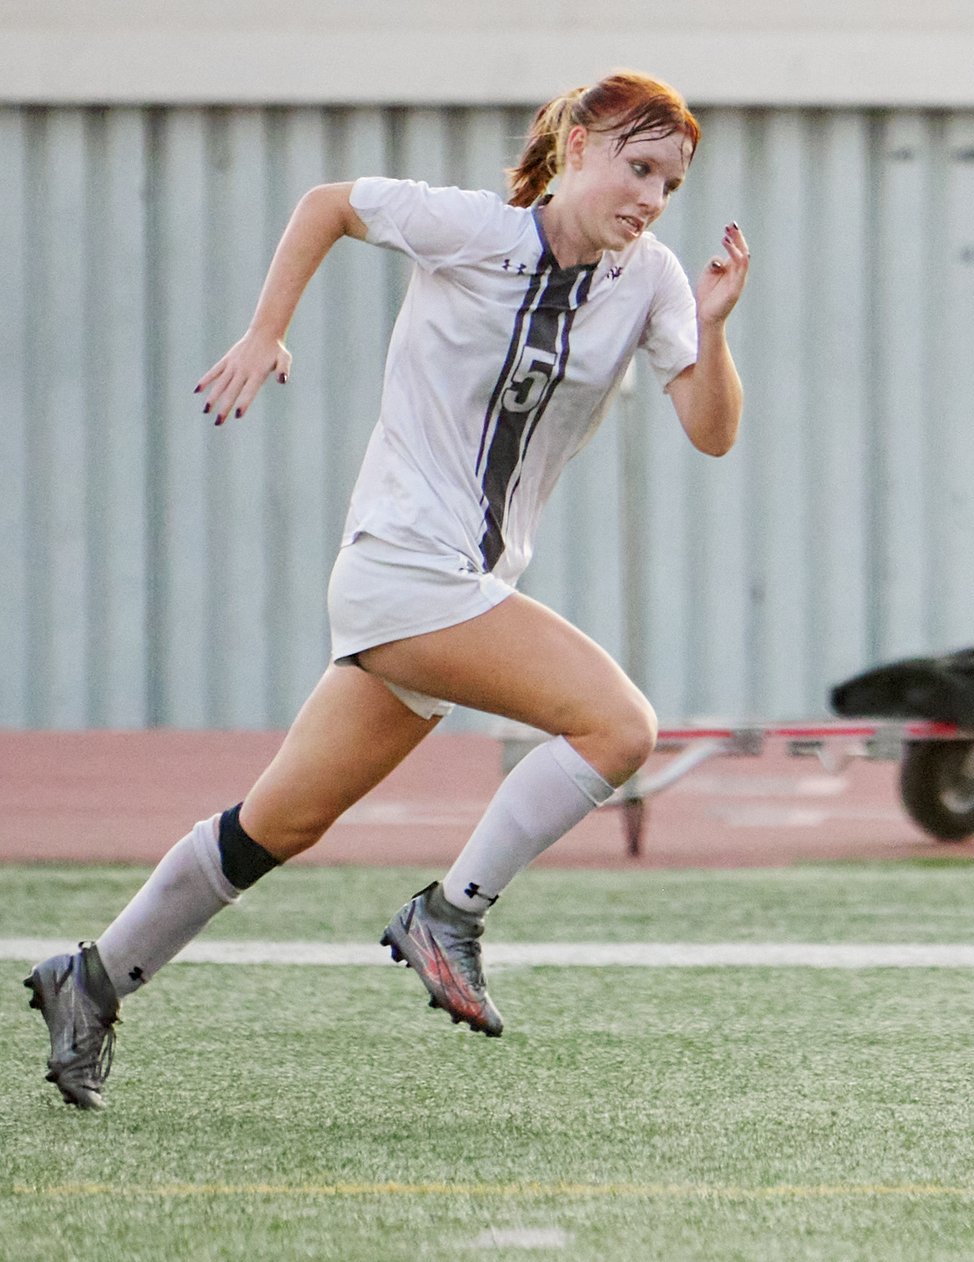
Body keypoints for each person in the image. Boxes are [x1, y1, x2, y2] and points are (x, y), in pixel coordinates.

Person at [24, 71, 751, 1110]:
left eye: (670, 184)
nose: (652, 197)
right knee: (619, 728)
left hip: (454, 589)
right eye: (638, 168)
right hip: (404, 570)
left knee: (275, 823)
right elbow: (330, 203)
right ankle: (448, 915)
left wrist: (716, 329)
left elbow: (712, 431)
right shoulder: (475, 230)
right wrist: (266, 329)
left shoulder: (655, 278)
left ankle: (88, 979)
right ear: (579, 146)